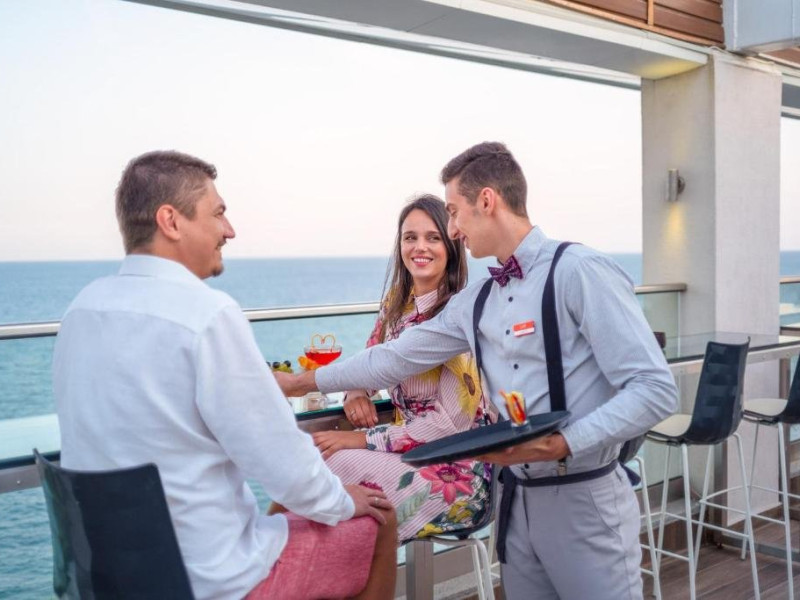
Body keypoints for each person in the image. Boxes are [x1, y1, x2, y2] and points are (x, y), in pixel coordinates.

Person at [276, 142, 679, 600]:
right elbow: (391, 358)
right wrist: (296, 382)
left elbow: (655, 390)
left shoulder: (580, 271)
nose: (452, 229)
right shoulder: (477, 299)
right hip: (516, 499)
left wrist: (564, 443)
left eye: (453, 212)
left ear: (486, 201)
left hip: (583, 495)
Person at [52, 151, 397, 600]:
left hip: (109, 575)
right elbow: (284, 464)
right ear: (171, 221)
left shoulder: (81, 310)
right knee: (378, 519)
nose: (229, 230)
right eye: (218, 214)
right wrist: (343, 500)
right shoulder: (207, 315)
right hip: (210, 582)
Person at [311, 194, 496, 543]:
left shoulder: (458, 316)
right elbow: (371, 360)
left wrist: (360, 438)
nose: (419, 247)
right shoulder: (396, 305)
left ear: (451, 246)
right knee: (313, 467)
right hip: (409, 455)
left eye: (433, 237)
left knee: (326, 468)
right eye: (410, 237)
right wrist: (355, 391)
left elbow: (447, 428)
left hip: (457, 473)